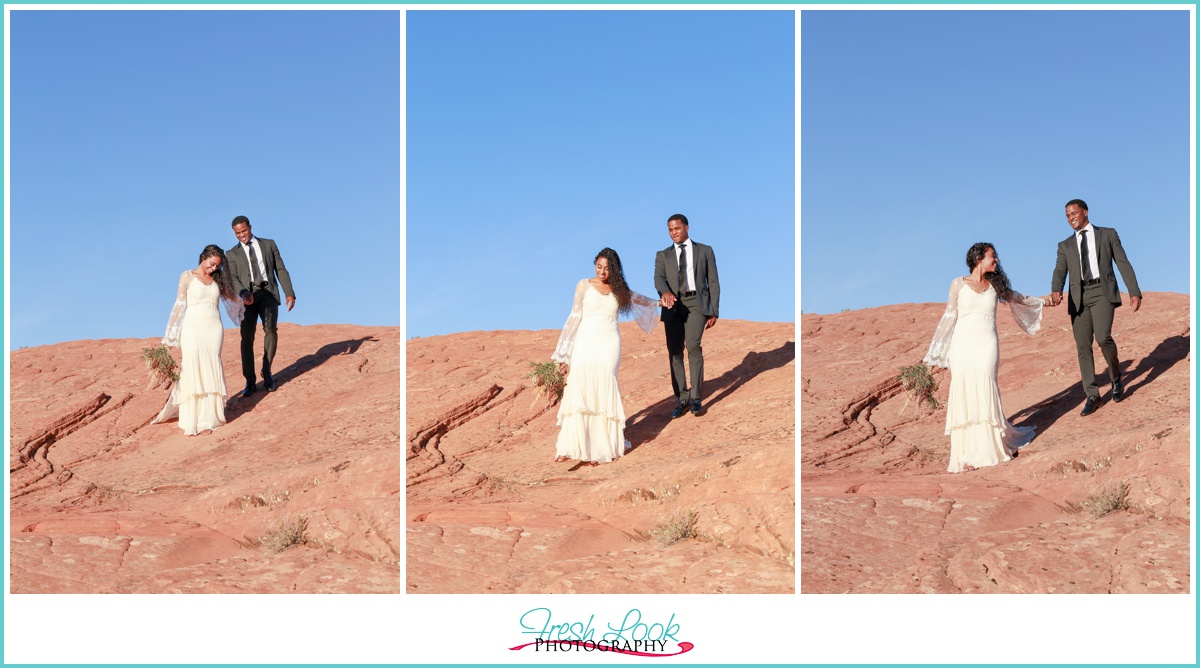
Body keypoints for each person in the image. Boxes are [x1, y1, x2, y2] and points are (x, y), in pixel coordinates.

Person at [923, 243, 1055, 473]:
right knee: (965, 393)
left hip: (986, 345)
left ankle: (988, 449)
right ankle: (966, 456)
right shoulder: (958, 284)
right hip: (962, 347)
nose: (996, 260)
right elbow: (949, 318)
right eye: (992, 256)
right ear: (978, 259)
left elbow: (1017, 297)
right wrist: (935, 352)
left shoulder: (995, 285)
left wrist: (1044, 300)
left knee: (985, 388)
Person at [551, 248, 660, 466]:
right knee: (580, 388)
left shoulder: (619, 290)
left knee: (604, 388)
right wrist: (562, 350)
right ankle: (568, 447)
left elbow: (641, 300)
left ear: (614, 269)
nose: (602, 271)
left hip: (609, 343)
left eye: (607, 268)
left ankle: (600, 450)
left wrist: (660, 302)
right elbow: (574, 316)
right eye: (599, 267)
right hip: (585, 341)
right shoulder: (583, 285)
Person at [1050, 199, 1141, 416]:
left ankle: (1116, 379)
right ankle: (1093, 395)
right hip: (1078, 296)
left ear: (1085, 212)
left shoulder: (1107, 234)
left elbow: (1123, 262)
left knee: (1102, 337)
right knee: (1083, 346)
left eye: (1074, 213)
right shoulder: (1065, 245)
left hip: (1102, 290)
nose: (1070, 217)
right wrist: (1055, 289)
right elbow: (1059, 270)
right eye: (1067, 215)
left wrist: (1134, 291)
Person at [152, 245, 244, 436]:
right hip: (192, 328)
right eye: (211, 264)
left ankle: (208, 420)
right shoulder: (186, 276)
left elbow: (231, 299)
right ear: (203, 257)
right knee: (193, 367)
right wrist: (169, 335)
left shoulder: (218, 280)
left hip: (214, 328)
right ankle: (192, 419)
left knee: (211, 366)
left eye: (217, 266)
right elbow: (178, 305)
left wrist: (246, 298)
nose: (213, 269)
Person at [653, 214, 720, 418]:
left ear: (687, 228)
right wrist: (665, 293)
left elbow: (713, 281)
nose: (674, 232)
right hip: (673, 305)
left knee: (693, 345)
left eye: (677, 228)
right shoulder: (662, 255)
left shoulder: (705, 251)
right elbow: (659, 279)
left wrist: (713, 310)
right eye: (670, 229)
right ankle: (682, 398)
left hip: (696, 303)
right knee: (674, 351)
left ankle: (696, 398)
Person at [225, 215, 296, 397]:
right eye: (238, 233)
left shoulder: (269, 244)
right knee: (246, 338)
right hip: (247, 298)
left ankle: (267, 371)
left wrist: (289, 292)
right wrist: (243, 293)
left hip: (268, 294)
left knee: (271, 329)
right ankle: (250, 380)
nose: (242, 235)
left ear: (250, 227)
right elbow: (233, 278)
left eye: (244, 231)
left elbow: (280, 268)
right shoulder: (231, 254)